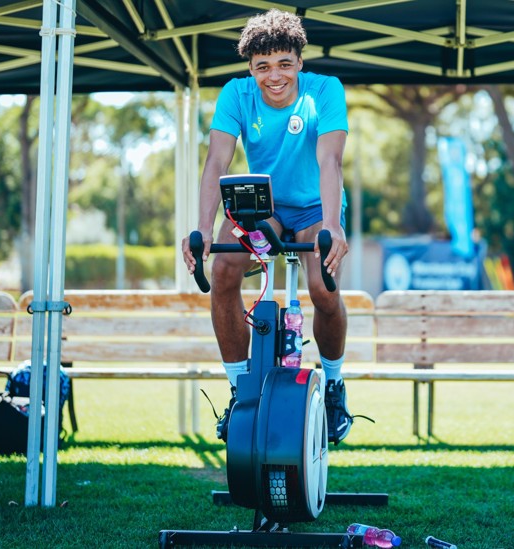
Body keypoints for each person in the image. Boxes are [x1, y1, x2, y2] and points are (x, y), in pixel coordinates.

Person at [181, 9, 355, 445]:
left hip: (317, 207)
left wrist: (332, 224)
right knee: (222, 271)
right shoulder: (237, 95)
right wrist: (201, 228)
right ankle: (241, 393)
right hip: (268, 208)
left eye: (284, 64)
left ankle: (333, 386)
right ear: (250, 68)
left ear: (299, 61)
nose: (274, 76)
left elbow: (329, 160)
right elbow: (216, 161)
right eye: (262, 67)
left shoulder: (324, 91)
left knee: (322, 288)